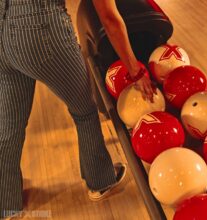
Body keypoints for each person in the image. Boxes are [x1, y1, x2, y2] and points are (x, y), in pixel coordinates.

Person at [0, 0, 154, 219]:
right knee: (85, 112)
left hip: (2, 31)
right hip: (41, 29)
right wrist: (135, 70)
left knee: (9, 126)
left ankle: (6, 202)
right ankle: (101, 181)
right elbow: (109, 19)